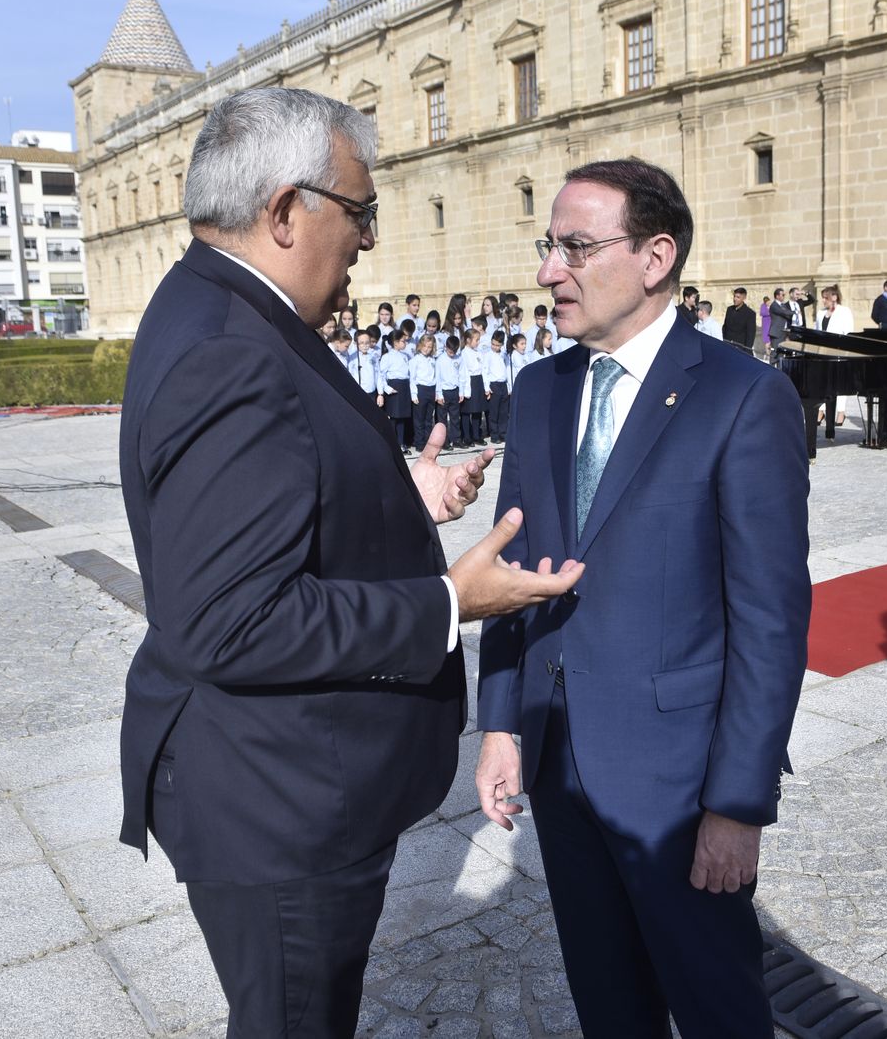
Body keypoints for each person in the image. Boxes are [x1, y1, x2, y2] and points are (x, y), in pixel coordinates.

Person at [116, 87, 580, 1036]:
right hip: (278, 807)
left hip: (271, 784)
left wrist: (395, 497)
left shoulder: (215, 304)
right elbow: (233, 621)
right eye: (360, 211)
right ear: (287, 211)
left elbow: (256, 511)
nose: (369, 240)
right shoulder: (231, 350)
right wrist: (449, 601)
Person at [476, 157, 811, 1039]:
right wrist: (502, 723)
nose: (551, 271)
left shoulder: (744, 396)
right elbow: (516, 574)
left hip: (678, 783)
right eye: (549, 246)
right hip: (557, 760)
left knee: (716, 1010)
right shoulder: (540, 391)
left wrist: (737, 804)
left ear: (656, 256)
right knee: (608, 1003)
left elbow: (771, 624)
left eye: (577, 247)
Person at [816, 285, 854, 425]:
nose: (824, 300)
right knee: (822, 384)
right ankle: (820, 410)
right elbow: (817, 332)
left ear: (834, 297)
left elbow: (849, 333)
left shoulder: (844, 311)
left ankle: (841, 412)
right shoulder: (821, 313)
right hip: (823, 353)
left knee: (840, 384)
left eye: (826, 298)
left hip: (839, 352)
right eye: (823, 298)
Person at [379, 328, 413, 451]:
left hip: (404, 387)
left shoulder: (405, 356)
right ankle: (393, 444)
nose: (405, 343)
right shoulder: (387, 357)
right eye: (403, 341)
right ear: (395, 342)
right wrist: (387, 389)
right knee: (393, 418)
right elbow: (381, 375)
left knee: (402, 418)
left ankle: (401, 443)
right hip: (394, 387)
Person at [485, 330, 511, 443]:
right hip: (494, 385)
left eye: (497, 345)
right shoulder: (488, 355)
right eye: (493, 344)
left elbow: (507, 369)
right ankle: (494, 435)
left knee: (503, 412)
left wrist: (509, 386)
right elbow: (484, 371)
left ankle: (503, 433)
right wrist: (487, 387)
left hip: (503, 384)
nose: (495, 347)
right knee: (494, 412)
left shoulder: (504, 354)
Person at [721, 287, 756, 352]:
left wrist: (747, 351)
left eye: (738, 297)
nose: (735, 299)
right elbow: (725, 327)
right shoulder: (729, 309)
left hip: (740, 348)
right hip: (727, 346)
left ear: (744, 298)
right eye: (734, 296)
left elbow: (750, 334)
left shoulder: (750, 313)